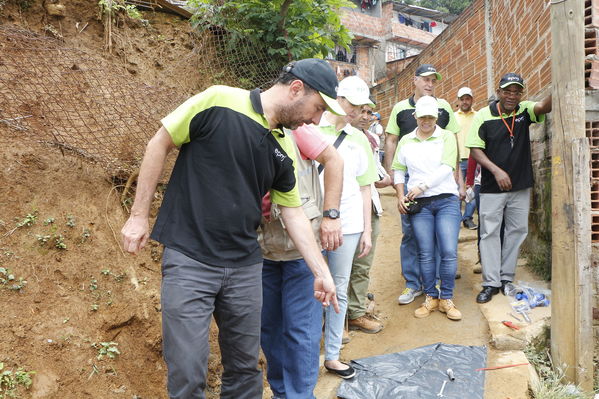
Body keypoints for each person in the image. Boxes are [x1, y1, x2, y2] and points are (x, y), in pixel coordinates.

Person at [120, 58, 343, 399]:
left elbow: (293, 212)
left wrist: (320, 270)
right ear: (296, 89)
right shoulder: (219, 99)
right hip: (189, 259)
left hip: (244, 266)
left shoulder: (283, 146)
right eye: (316, 108)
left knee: (244, 370)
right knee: (188, 370)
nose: (315, 119)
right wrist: (138, 215)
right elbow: (160, 143)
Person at [258, 123, 343, 399]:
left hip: (301, 253)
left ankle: (300, 395)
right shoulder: (245, 130)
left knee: (300, 330)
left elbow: (334, 159)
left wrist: (331, 214)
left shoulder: (296, 131)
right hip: (261, 251)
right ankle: (281, 392)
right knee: (269, 328)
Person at [466, 73, 552, 304]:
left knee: (516, 231)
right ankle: (490, 283)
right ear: (499, 92)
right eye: (507, 91)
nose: (512, 96)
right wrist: (496, 171)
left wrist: (568, 77)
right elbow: (475, 149)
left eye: (516, 91)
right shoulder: (484, 116)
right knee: (490, 233)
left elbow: (544, 105)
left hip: (520, 186)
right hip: (492, 187)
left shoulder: (524, 110)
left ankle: (506, 279)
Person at [384, 64, 461, 305]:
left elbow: (451, 147)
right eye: (425, 79)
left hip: (438, 180)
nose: (429, 84)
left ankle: (437, 282)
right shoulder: (400, 109)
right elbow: (391, 140)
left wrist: (456, 179)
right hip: (411, 178)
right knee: (410, 234)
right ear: (415, 81)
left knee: (440, 238)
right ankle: (413, 283)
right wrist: (392, 178)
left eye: (433, 80)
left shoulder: (445, 107)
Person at [317, 75, 378, 379]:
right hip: (313, 220)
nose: (356, 111)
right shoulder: (312, 129)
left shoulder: (358, 139)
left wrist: (366, 230)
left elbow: (366, 187)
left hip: (351, 222)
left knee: (338, 287)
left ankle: (332, 355)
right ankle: (308, 348)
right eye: (352, 105)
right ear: (338, 99)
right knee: (311, 286)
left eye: (361, 106)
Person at [347, 104, 390, 335]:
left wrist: (383, 178)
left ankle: (355, 313)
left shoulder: (372, 139)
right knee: (339, 266)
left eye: (368, 112)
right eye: (360, 111)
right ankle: (338, 319)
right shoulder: (335, 136)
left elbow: (375, 172)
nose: (364, 117)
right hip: (344, 209)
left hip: (369, 205)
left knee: (362, 264)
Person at [455, 87, 478, 230]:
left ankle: (468, 218)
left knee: (472, 191)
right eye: (462, 99)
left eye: (467, 98)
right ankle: (455, 219)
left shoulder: (478, 115)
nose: (465, 101)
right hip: (456, 160)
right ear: (458, 101)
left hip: (474, 159)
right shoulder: (453, 116)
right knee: (456, 191)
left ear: (472, 100)